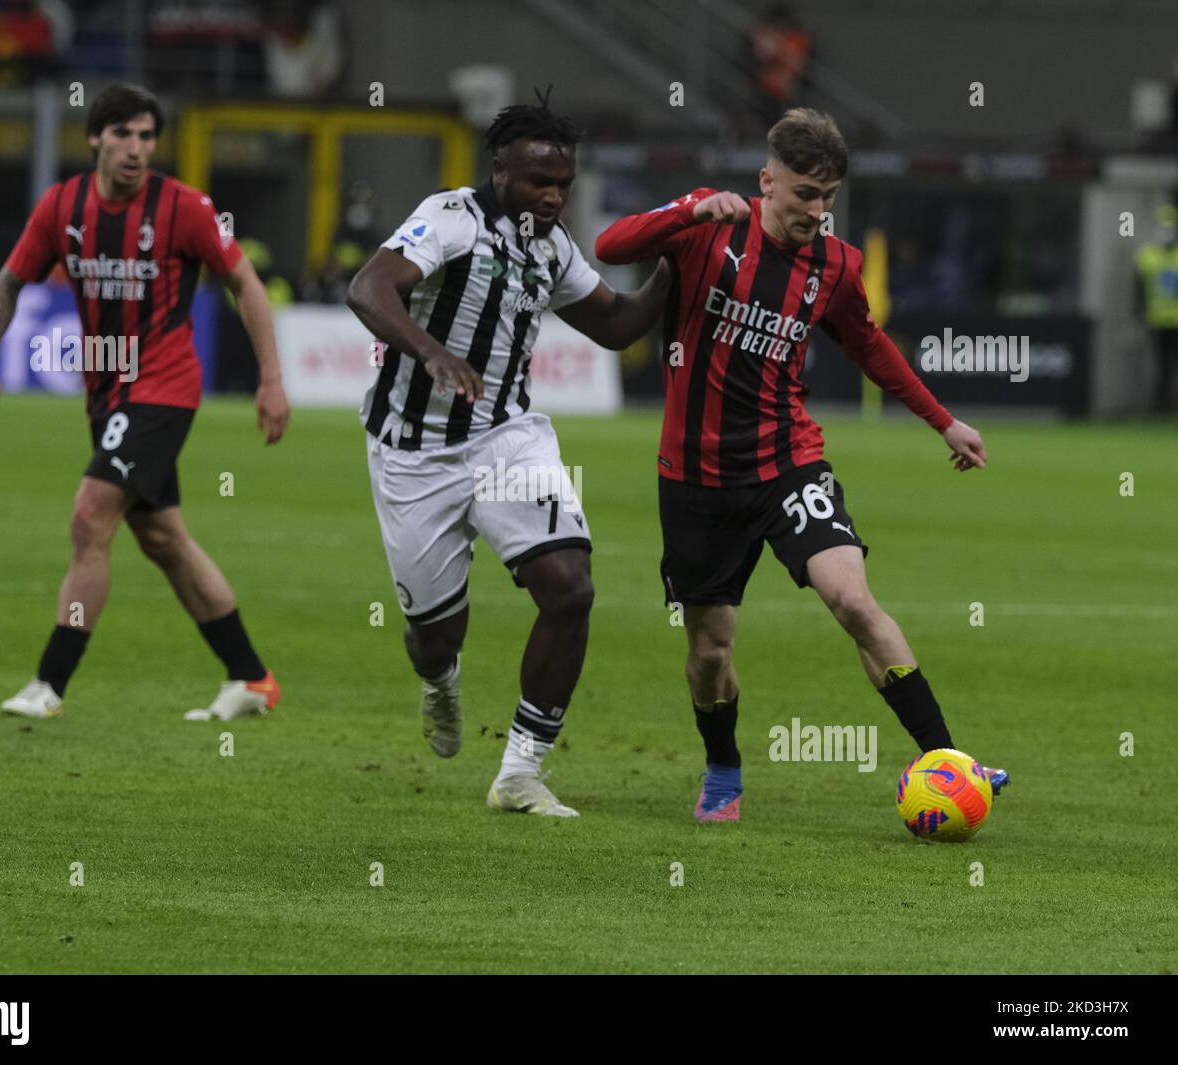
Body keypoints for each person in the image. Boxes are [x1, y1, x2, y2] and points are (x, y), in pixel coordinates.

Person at [595, 107, 1009, 822]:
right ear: (767, 182)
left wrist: (943, 421)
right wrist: (690, 204)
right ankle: (723, 767)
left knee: (852, 599)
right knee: (710, 650)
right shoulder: (709, 228)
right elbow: (610, 243)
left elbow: (870, 346)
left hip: (788, 460)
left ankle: (948, 761)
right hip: (695, 475)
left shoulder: (837, 265)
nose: (817, 212)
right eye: (803, 195)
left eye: (828, 197)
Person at [346, 91, 669, 817]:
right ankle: (440, 680)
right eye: (536, 183)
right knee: (434, 638)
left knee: (571, 587)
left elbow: (616, 325)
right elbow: (368, 288)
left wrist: (678, 263)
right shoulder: (451, 219)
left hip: (505, 437)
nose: (552, 197)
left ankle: (520, 770)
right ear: (500, 171)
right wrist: (432, 352)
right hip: (413, 454)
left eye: (563, 184)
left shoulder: (551, 246)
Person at [0, 83, 291, 722]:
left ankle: (49, 684)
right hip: (106, 392)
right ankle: (251, 678)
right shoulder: (62, 205)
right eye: (123, 135)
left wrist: (271, 378)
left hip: (164, 387)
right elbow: (9, 282)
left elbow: (244, 284)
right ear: (95, 139)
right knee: (164, 538)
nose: (137, 149)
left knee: (90, 518)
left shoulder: (185, 208)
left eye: (147, 136)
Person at [1134, 204, 1178, 413]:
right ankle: (1161, 405)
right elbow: (1139, 287)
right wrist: (1139, 313)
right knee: (1161, 365)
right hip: (1157, 319)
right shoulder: (1147, 254)